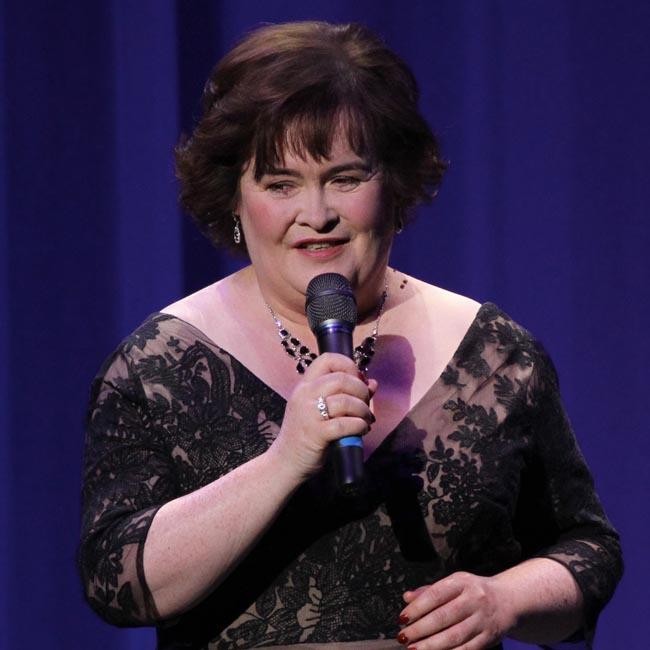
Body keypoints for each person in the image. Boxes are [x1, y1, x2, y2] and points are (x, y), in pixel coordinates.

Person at [78, 21, 622, 650]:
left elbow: (588, 549)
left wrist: (505, 600)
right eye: (280, 184)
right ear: (234, 198)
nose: (317, 215)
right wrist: (285, 459)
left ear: (394, 184)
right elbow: (114, 582)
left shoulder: (497, 355)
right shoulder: (156, 367)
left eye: (345, 178)